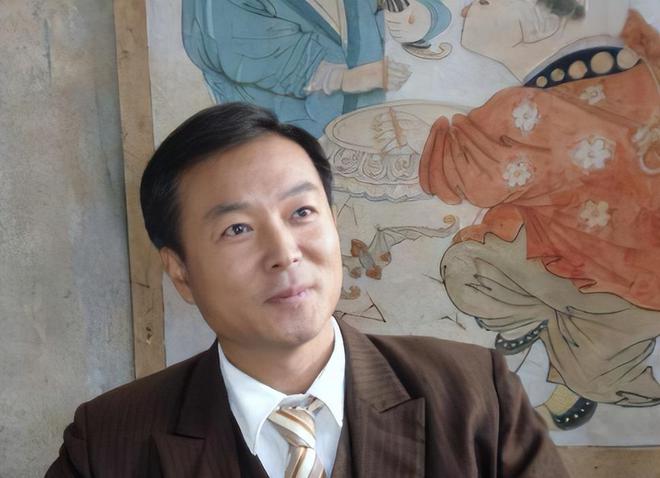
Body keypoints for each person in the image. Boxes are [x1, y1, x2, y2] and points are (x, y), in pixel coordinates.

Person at [46, 102, 567, 477]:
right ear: (180, 271)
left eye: (301, 212)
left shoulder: (477, 399)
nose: (285, 251)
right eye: (237, 229)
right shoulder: (107, 445)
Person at [414, 1, 660, 429]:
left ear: (540, 19)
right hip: (615, 266)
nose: (466, 9)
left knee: (464, 267)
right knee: (486, 253)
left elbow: (456, 175)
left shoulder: (528, 110)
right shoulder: (634, 58)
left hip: (622, 294)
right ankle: (553, 326)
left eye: (484, 0)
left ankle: (581, 371)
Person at [181, 0, 451, 137]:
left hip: (365, 129)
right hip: (281, 138)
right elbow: (237, 47)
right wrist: (342, 78)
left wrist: (424, 16)